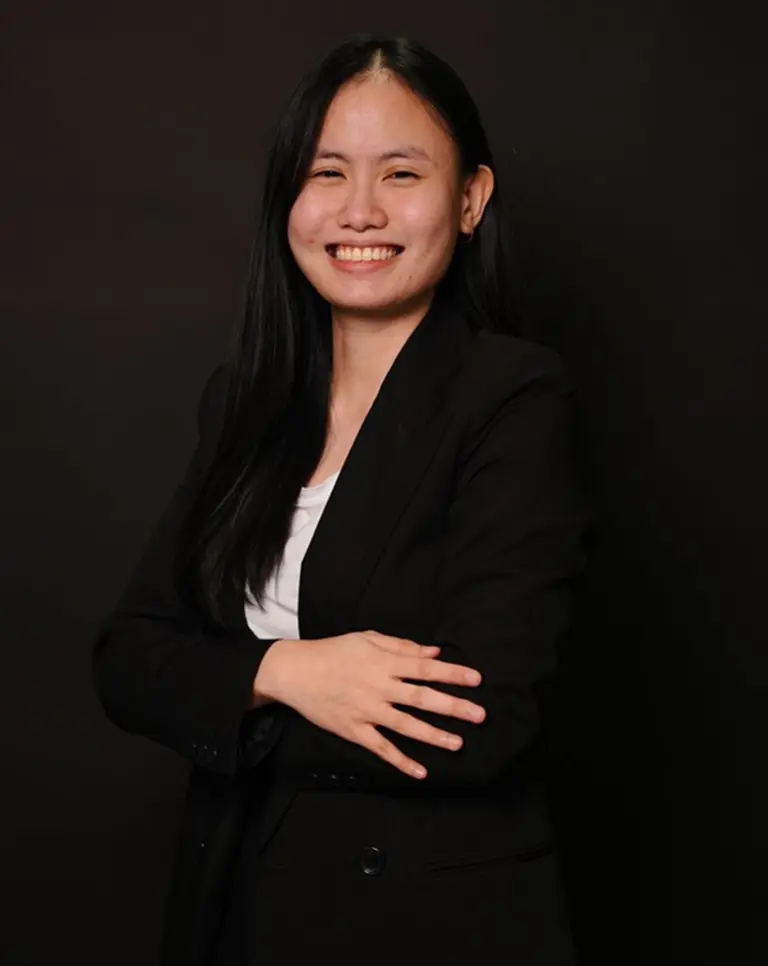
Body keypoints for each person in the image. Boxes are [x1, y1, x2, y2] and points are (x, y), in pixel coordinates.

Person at [92, 33, 591, 966]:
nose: (360, 210)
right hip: (233, 909)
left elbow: (484, 722)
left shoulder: (514, 397)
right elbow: (127, 659)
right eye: (328, 172)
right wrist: (285, 673)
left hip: (420, 925)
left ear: (471, 199)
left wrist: (217, 704)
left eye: (401, 173)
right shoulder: (244, 403)